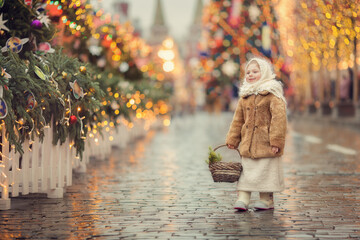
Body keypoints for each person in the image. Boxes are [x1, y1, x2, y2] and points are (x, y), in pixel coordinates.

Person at [225, 57, 287, 211]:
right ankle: (243, 198)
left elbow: (279, 119)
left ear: (264, 72)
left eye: (255, 71)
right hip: (249, 144)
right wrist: (233, 139)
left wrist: (276, 142)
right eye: (248, 72)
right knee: (246, 174)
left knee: (266, 174)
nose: (250, 75)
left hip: (266, 144)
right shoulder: (245, 96)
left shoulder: (272, 94)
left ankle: (266, 200)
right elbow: (237, 121)